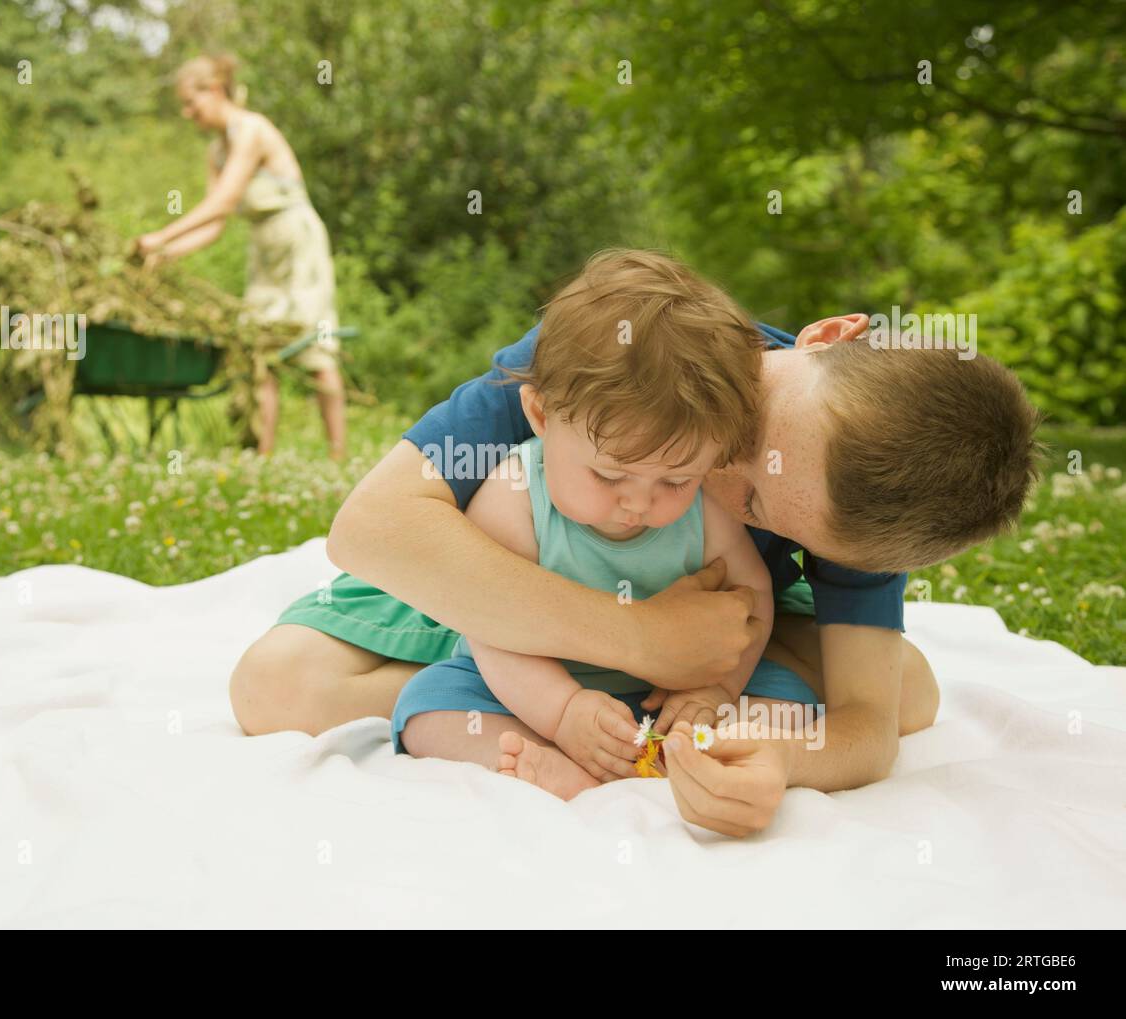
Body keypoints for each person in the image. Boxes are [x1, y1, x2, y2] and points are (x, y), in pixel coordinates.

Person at [230, 253, 1041, 836]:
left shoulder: (862, 500)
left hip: (723, 627)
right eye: (753, 436)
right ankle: (530, 690)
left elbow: (867, 725)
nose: (710, 481)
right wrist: (637, 636)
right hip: (526, 568)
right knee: (277, 684)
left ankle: (620, 713)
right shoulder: (619, 354)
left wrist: (778, 757)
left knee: (909, 691)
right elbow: (368, 528)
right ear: (827, 334)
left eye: (761, 506)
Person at [393, 251, 779, 800]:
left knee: (790, 700)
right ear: (542, 417)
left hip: (668, 690)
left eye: (675, 481)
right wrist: (562, 711)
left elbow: (752, 598)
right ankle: (550, 762)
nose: (639, 503)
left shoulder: (707, 506)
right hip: (531, 689)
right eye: (609, 473)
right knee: (431, 708)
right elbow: (492, 626)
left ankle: (698, 759)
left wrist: (717, 688)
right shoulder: (516, 497)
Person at [136, 54, 346, 459]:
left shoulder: (252, 130)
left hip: (297, 242)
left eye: (190, 102)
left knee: (316, 350)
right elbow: (215, 225)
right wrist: (166, 254)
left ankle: (338, 455)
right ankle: (261, 456)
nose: (187, 113)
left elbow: (224, 201)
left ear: (214, 91)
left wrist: (161, 237)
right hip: (264, 249)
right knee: (259, 352)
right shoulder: (216, 152)